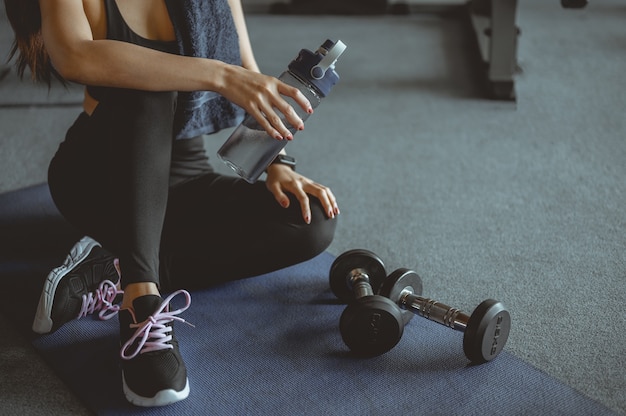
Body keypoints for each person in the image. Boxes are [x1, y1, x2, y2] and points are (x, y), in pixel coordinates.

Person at [4, 0, 338, 407]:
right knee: (145, 80)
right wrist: (218, 74)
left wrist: (277, 163)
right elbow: (76, 55)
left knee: (310, 220)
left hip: (184, 168)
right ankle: (140, 301)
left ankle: (111, 266)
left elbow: (248, 74)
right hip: (99, 175)